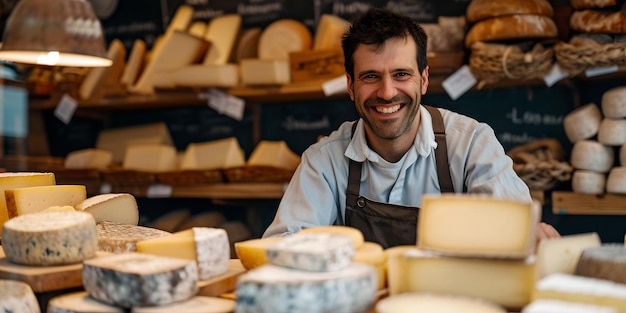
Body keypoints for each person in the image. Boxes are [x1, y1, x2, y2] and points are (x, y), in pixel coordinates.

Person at [263, 7, 560, 248]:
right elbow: (281, 247)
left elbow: (512, 230)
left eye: (401, 74)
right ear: (351, 86)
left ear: (424, 79)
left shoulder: (471, 145)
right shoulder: (324, 161)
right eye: (370, 77)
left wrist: (527, 236)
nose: (387, 92)